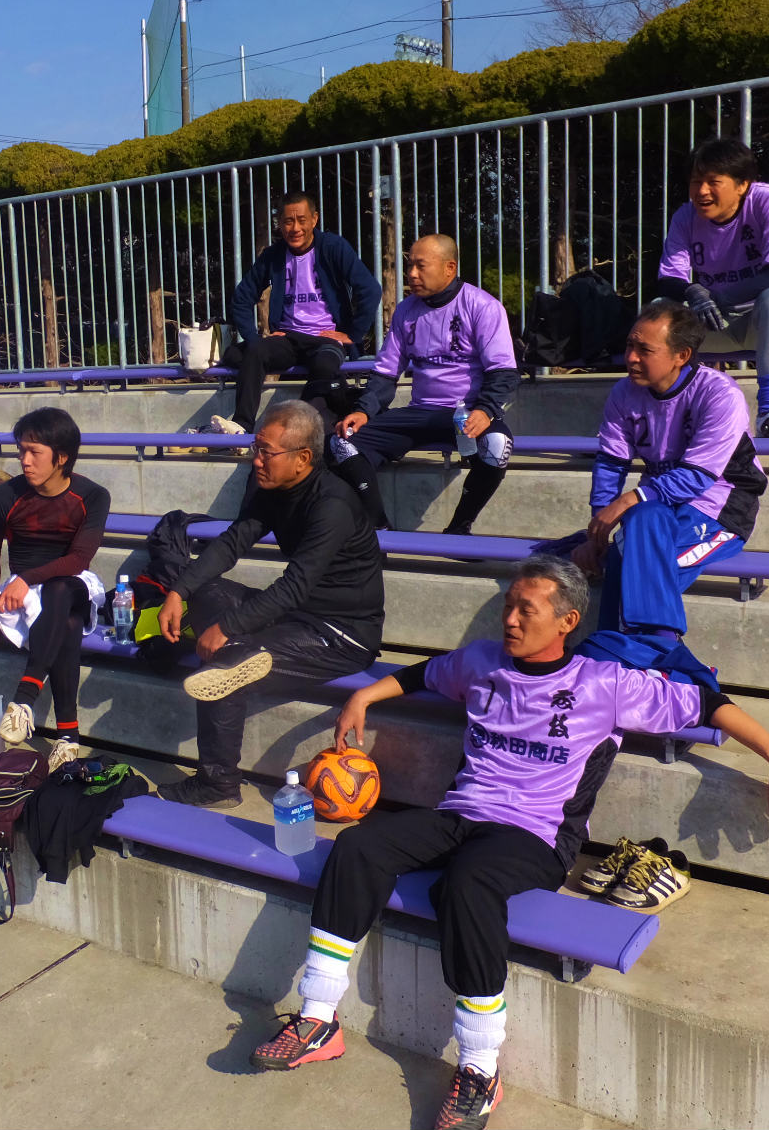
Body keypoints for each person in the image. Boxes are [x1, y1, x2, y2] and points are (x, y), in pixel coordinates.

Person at [251, 555, 769, 1130]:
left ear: (567, 621)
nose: (511, 619)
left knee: (467, 887)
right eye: (508, 606)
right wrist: (364, 697)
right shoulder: (482, 663)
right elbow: (424, 673)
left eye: (527, 610)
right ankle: (318, 1016)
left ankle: (479, 1068)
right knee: (357, 848)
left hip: (537, 835)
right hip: (460, 814)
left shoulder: (605, 684)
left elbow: (707, 703)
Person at [158, 400, 386, 808]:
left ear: (302, 458)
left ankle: (217, 784)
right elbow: (231, 543)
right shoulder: (274, 489)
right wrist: (179, 592)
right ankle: (242, 649)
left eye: (266, 452)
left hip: (340, 635)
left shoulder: (331, 505)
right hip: (296, 617)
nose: (256, 460)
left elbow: (293, 586)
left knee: (226, 664)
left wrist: (228, 627)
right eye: (255, 448)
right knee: (206, 591)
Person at [570, 300, 766, 637]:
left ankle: (633, 655)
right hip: (656, 507)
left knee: (639, 565)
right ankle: (625, 656)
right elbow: (611, 462)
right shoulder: (623, 392)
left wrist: (628, 500)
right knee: (627, 556)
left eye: (644, 350)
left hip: (720, 508)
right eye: (629, 346)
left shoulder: (719, 394)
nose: (631, 357)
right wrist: (597, 530)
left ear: (681, 356)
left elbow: (698, 476)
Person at [331, 235, 518, 534]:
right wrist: (364, 410)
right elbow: (386, 371)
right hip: (420, 412)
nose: (412, 274)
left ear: (449, 268)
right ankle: (378, 529)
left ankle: (458, 529)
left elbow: (503, 371)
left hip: (466, 413)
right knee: (342, 440)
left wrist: (485, 410)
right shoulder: (406, 310)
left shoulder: (482, 306)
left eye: (420, 266)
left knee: (498, 444)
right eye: (409, 266)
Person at [0, 408, 111, 772]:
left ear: (62, 457)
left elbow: (79, 560)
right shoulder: (3, 498)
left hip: (74, 583)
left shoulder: (93, 496)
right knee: (67, 624)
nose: (24, 460)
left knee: (60, 589)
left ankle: (25, 697)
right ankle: (69, 736)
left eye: (34, 452)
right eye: (21, 450)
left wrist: (27, 578)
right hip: (24, 595)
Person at [657, 137, 769, 438]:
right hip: (715, 321)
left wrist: (717, 296)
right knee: (658, 311)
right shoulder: (684, 216)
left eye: (713, 182)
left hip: (767, 322)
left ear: (742, 185)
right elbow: (668, 279)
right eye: (696, 182)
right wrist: (692, 292)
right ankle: (653, 412)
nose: (702, 191)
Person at [211, 191, 382, 435]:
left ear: (314, 219)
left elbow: (370, 289)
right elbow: (241, 298)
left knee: (325, 367)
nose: (295, 228)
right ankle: (241, 425)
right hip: (288, 339)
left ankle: (305, 431)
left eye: (302, 220)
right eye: (288, 221)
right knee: (255, 351)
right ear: (279, 224)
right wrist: (253, 338)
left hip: (325, 338)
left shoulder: (333, 247)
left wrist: (352, 335)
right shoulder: (273, 255)